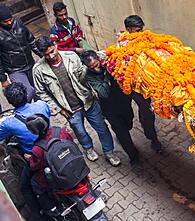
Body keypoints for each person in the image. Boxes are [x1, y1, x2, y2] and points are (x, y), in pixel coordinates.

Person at [33, 36, 120, 166]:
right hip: (69, 109)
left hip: (88, 101)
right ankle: (88, 149)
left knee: (102, 128)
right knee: (80, 132)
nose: (51, 56)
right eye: (47, 55)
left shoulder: (71, 56)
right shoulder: (38, 70)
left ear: (55, 45)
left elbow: (85, 73)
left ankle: (109, 152)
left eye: (52, 51)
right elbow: (41, 93)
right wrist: (59, 109)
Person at [0, 82, 50, 221]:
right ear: (26, 94)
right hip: (51, 146)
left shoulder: (8, 123)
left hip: (35, 157)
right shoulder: (41, 105)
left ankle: (38, 216)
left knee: (24, 187)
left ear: (9, 101)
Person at [81, 50, 140, 165]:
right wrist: (107, 75)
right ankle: (133, 155)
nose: (95, 69)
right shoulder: (90, 76)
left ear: (99, 59)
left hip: (123, 102)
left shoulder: (109, 62)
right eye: (91, 67)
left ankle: (123, 133)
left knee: (128, 123)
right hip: (109, 108)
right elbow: (103, 92)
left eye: (96, 65)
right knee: (122, 132)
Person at [122, 15, 162, 152]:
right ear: (128, 30)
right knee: (148, 111)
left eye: (142, 30)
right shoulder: (123, 46)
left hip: (149, 83)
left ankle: (146, 126)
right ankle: (153, 138)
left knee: (147, 111)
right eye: (137, 30)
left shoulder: (144, 38)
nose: (141, 33)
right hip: (136, 88)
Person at [26, 114, 74, 217]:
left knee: (34, 182)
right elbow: (71, 141)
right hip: (72, 164)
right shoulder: (60, 131)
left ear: (33, 132)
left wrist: (30, 160)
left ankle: (51, 208)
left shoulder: (37, 148)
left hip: (57, 174)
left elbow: (35, 166)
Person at [0, 3, 42, 102]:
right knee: (27, 93)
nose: (10, 23)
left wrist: (42, 55)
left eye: (11, 19)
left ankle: (40, 112)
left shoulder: (18, 22)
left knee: (39, 91)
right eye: (6, 22)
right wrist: (3, 79)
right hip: (14, 69)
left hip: (30, 63)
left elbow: (31, 40)